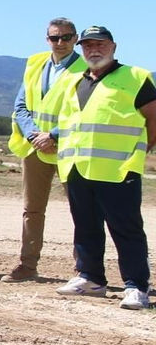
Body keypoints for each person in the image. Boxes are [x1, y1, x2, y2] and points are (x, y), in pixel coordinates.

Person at [53, 26, 154, 311]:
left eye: (100, 44)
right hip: (78, 167)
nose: (94, 49)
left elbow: (153, 117)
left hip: (118, 169)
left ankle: (136, 286)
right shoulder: (75, 81)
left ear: (113, 47)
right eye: (88, 45)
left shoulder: (135, 77)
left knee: (126, 228)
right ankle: (91, 278)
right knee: (85, 225)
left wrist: (143, 149)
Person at [3, 18, 86, 282]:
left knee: (82, 211)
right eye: (54, 38)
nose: (60, 42)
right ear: (47, 39)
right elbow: (21, 105)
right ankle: (27, 266)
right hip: (35, 148)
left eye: (66, 37)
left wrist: (53, 136)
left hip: (69, 149)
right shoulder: (36, 64)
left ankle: (84, 270)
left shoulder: (86, 69)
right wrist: (33, 135)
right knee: (32, 210)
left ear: (75, 39)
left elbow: (84, 111)